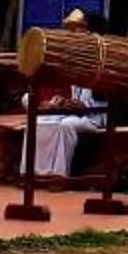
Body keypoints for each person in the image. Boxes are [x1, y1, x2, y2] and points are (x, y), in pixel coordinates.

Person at [20, 10, 108, 180]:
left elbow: (106, 97)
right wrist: (63, 102)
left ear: (92, 31)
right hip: (74, 111)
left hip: (96, 116)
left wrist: (84, 107)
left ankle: (59, 174)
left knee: (65, 126)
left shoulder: (105, 59)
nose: (75, 32)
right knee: (37, 122)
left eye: (81, 28)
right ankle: (31, 173)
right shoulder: (75, 58)